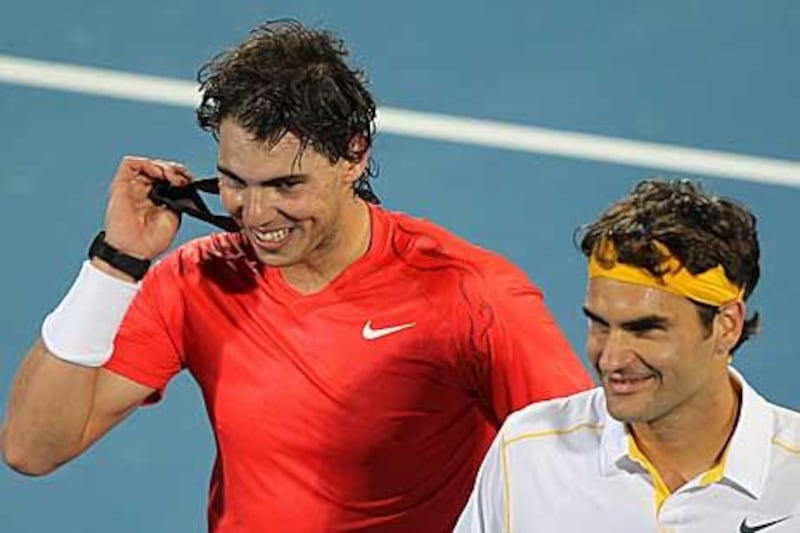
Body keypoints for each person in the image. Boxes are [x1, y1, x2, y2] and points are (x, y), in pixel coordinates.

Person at [0, 19, 592, 532]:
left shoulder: (472, 296)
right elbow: (33, 446)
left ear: (353, 156)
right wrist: (115, 263)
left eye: (286, 185)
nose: (255, 217)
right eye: (236, 181)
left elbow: (589, 473)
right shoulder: (198, 280)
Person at [455, 179, 800, 533]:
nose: (611, 359)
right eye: (600, 325)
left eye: (646, 329)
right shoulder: (527, 451)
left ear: (727, 326)